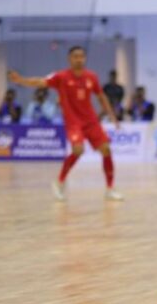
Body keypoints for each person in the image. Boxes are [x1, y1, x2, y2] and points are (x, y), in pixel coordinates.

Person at [8, 46, 124, 201]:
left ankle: (110, 189)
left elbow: (101, 97)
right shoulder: (61, 77)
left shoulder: (91, 77)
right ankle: (59, 182)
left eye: (81, 56)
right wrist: (21, 80)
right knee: (78, 150)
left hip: (91, 121)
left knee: (106, 149)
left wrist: (112, 116)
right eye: (75, 56)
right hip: (73, 122)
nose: (79, 59)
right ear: (69, 59)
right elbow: (40, 82)